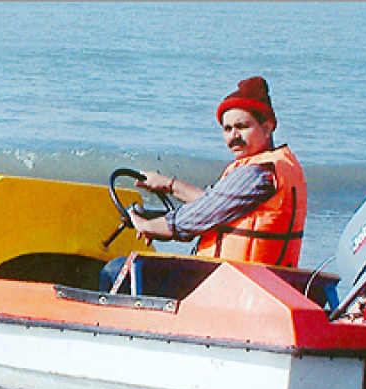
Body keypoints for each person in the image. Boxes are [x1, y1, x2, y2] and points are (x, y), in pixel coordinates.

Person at [99, 76, 307, 292]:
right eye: (227, 129)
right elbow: (215, 203)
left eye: (242, 127)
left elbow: (193, 219)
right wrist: (169, 185)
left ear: (267, 128)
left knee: (114, 270)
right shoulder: (277, 166)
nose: (233, 136)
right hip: (256, 281)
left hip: (230, 285)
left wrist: (148, 226)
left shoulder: (257, 173)